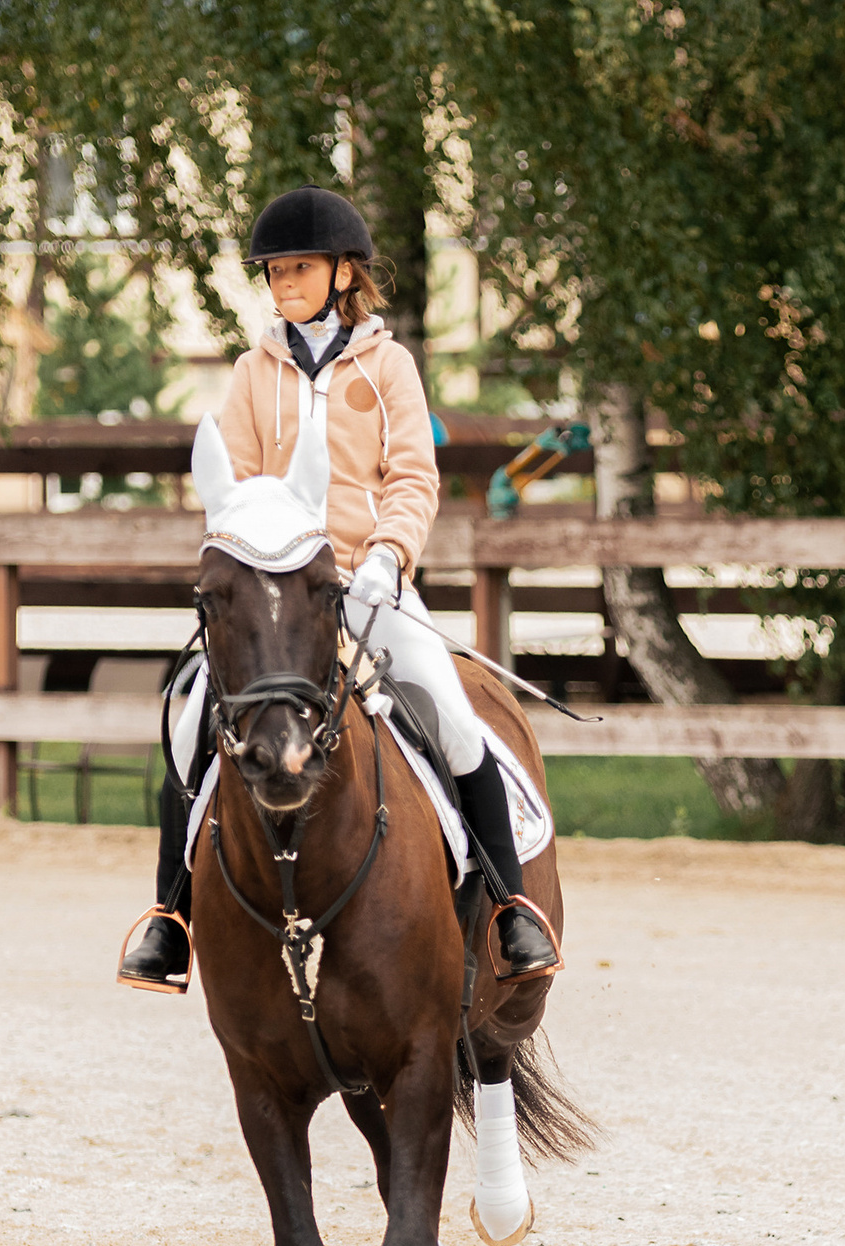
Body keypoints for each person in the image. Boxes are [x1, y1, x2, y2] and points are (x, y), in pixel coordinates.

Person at [119, 183, 562, 992]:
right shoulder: (253, 373)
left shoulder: (388, 366)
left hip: (368, 581)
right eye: (274, 271)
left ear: (343, 273)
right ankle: (169, 917)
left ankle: (511, 906)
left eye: (299, 268)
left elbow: (413, 476)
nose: (283, 282)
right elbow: (236, 484)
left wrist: (390, 555)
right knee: (189, 726)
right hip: (280, 593)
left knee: (450, 712)